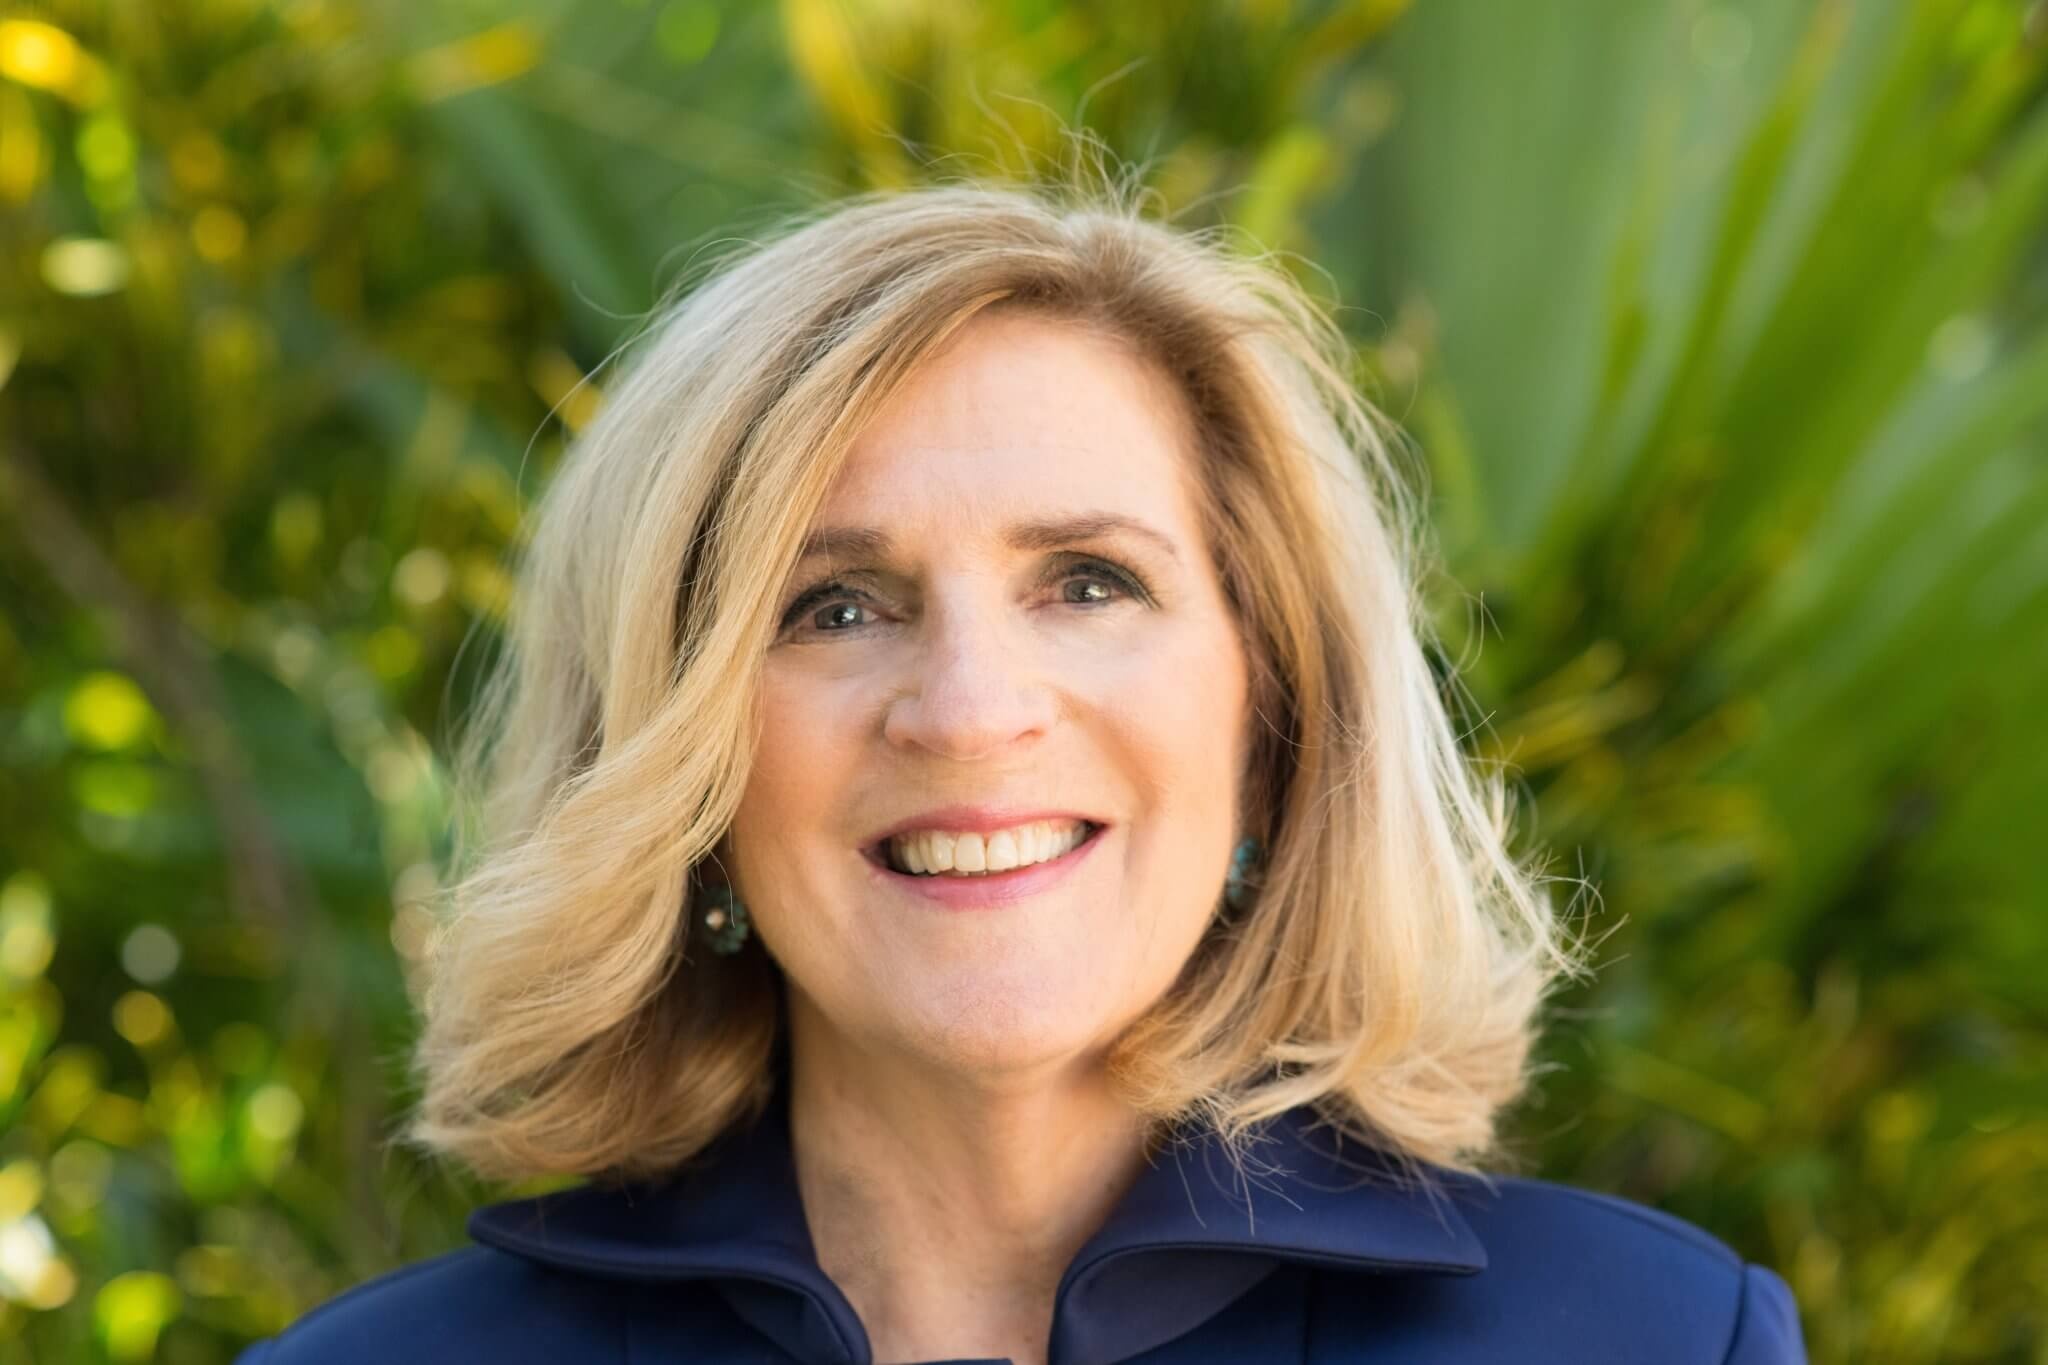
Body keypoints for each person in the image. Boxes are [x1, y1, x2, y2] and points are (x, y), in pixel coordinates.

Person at [232, 173, 1808, 1364]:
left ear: (1271, 720)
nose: (972, 711)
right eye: (835, 606)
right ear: (681, 765)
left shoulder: (1662, 1340)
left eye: (1088, 583)